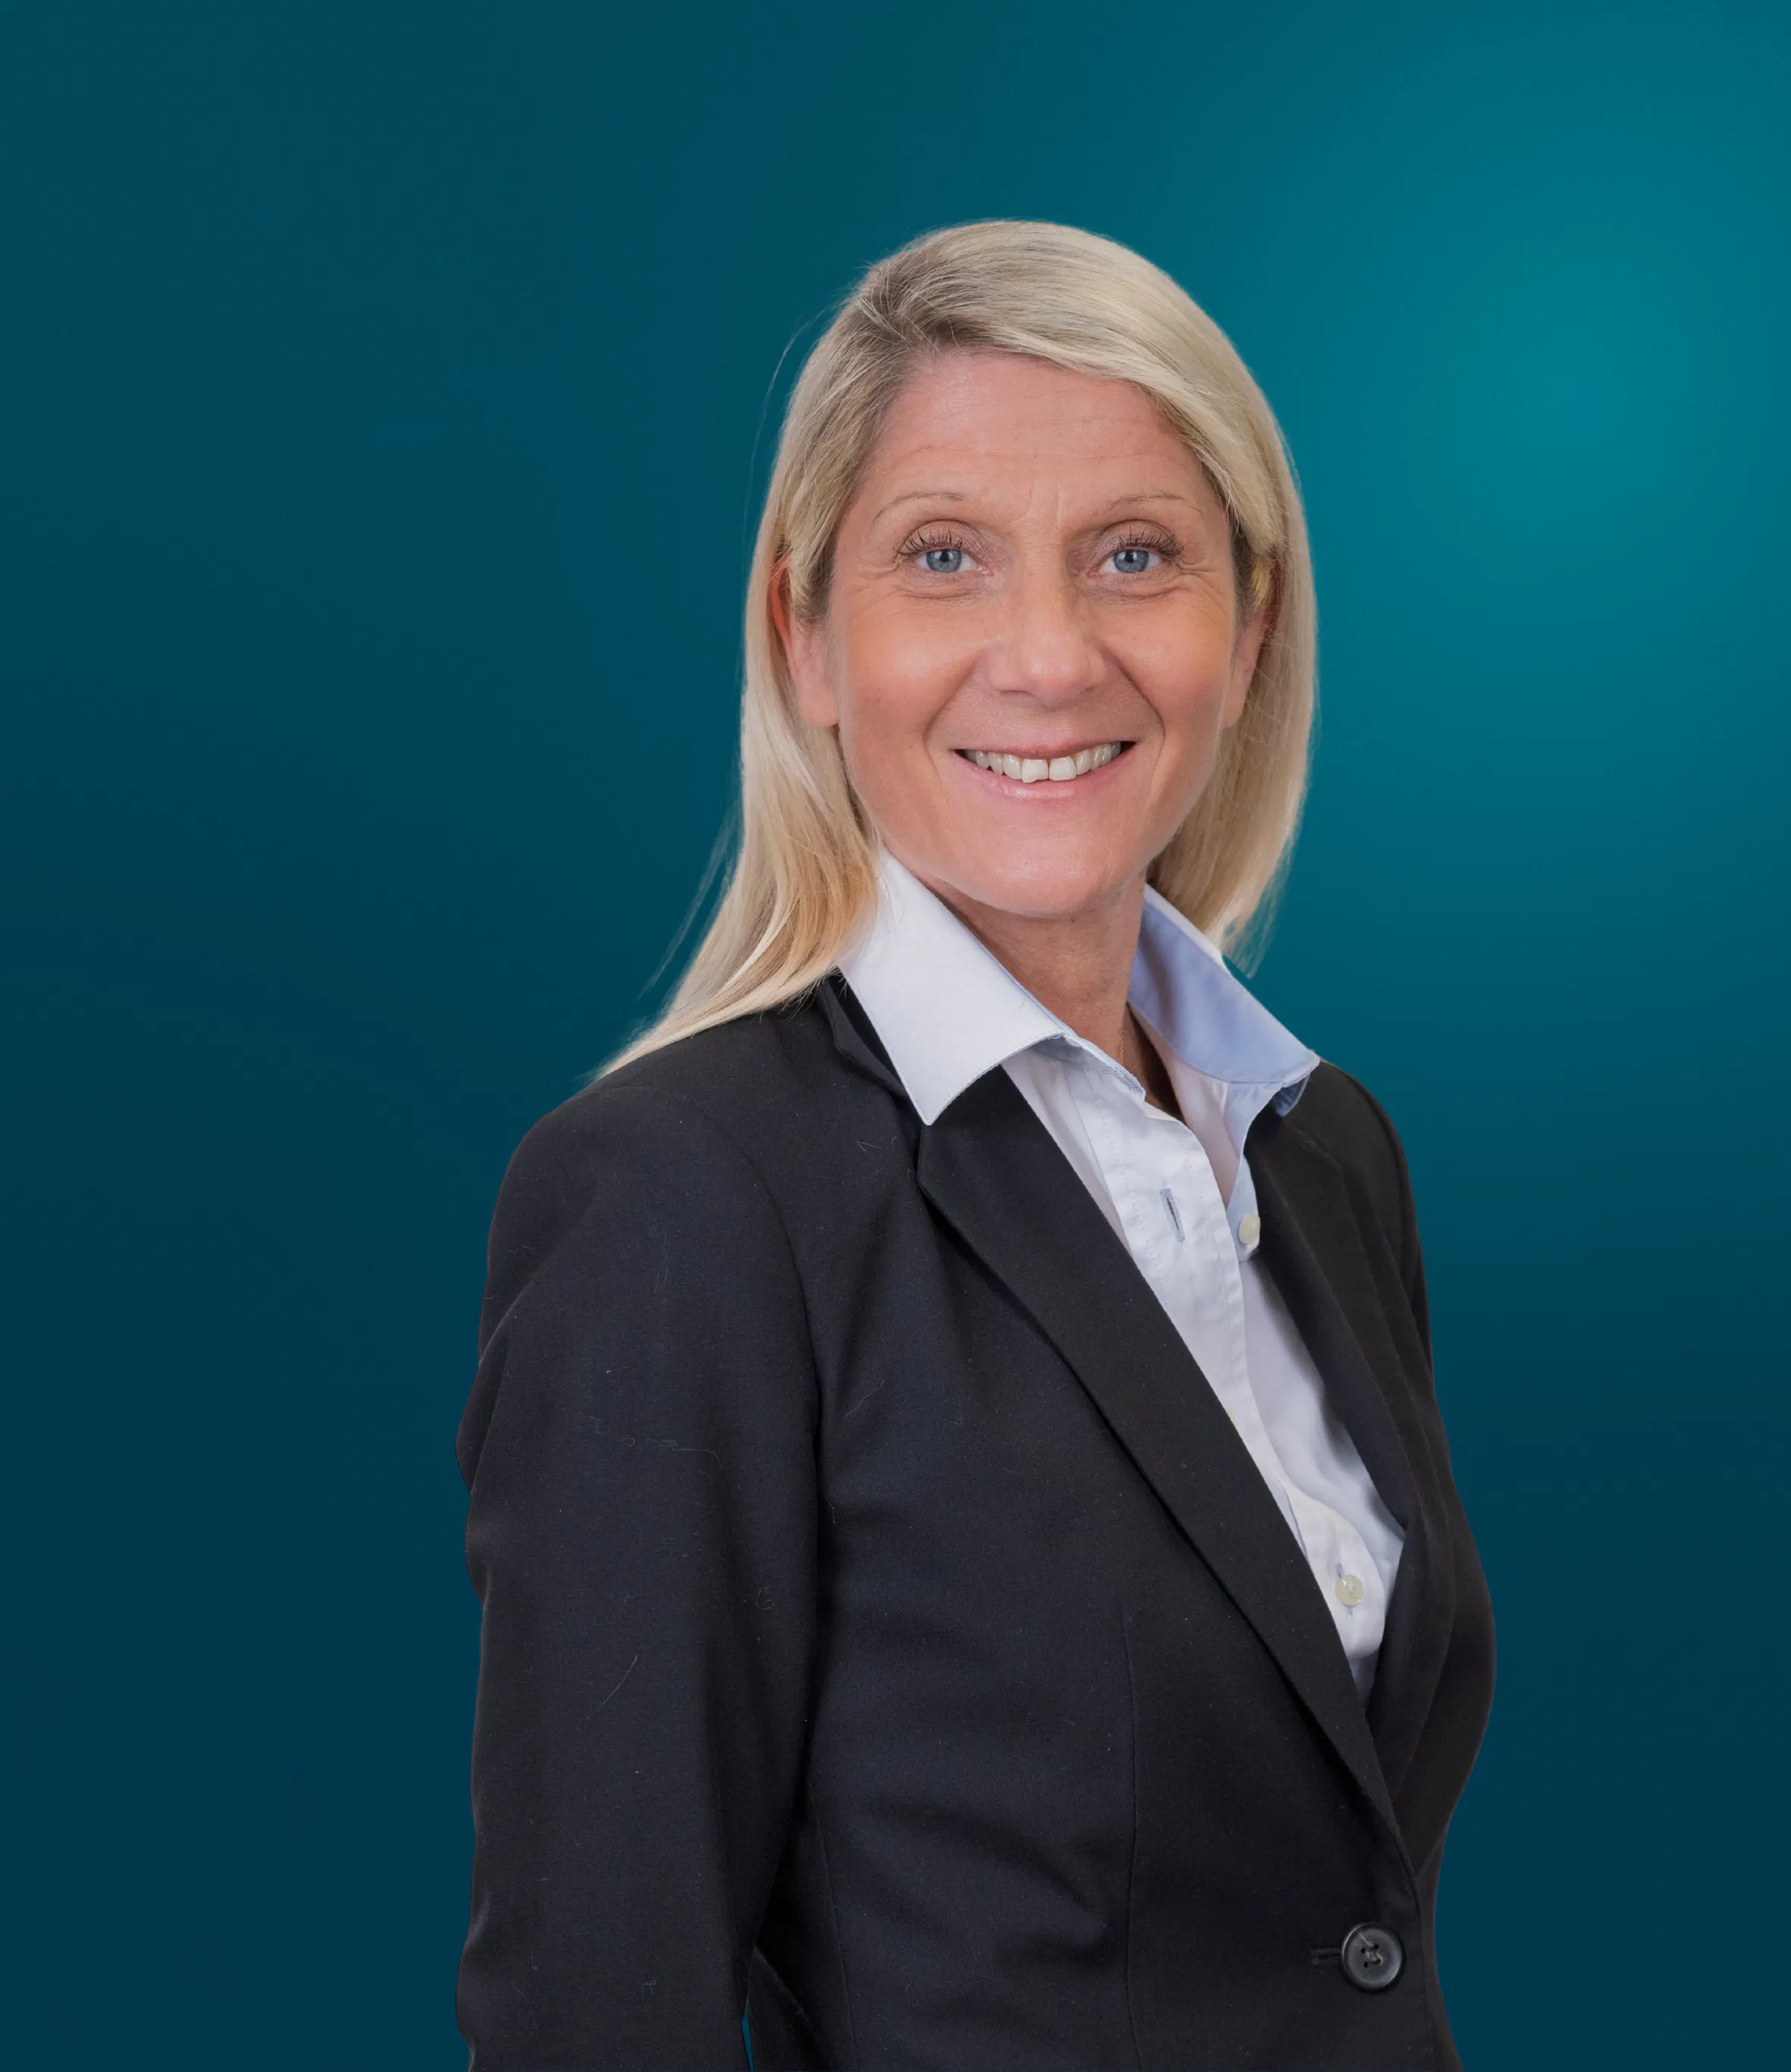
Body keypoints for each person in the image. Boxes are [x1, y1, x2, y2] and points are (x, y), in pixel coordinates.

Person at [457, 219, 1494, 2071]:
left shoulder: (1322, 1150)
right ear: (806, 638)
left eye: (1135, 555)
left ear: (1249, 625)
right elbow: (592, 2013)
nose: (1048, 655)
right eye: (943, 556)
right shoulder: (684, 1201)